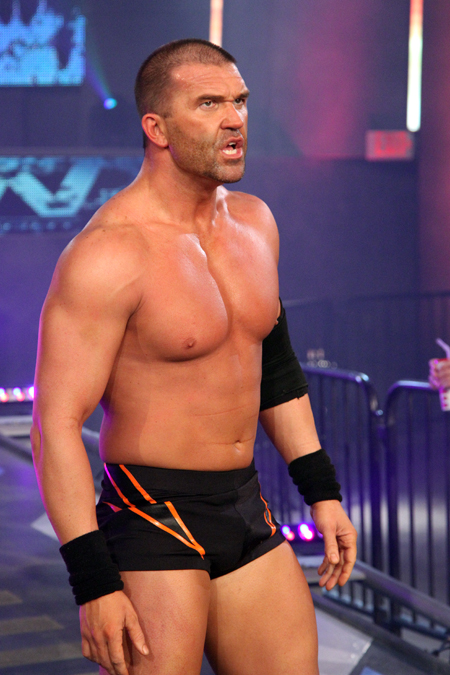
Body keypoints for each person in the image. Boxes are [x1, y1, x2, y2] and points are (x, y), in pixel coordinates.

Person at [31, 38, 357, 675]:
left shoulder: (256, 224)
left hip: (246, 503)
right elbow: (54, 425)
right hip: (151, 515)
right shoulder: (109, 252)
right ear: (157, 128)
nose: (234, 119)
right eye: (208, 104)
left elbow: (275, 370)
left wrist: (323, 494)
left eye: (239, 101)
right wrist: (94, 583)